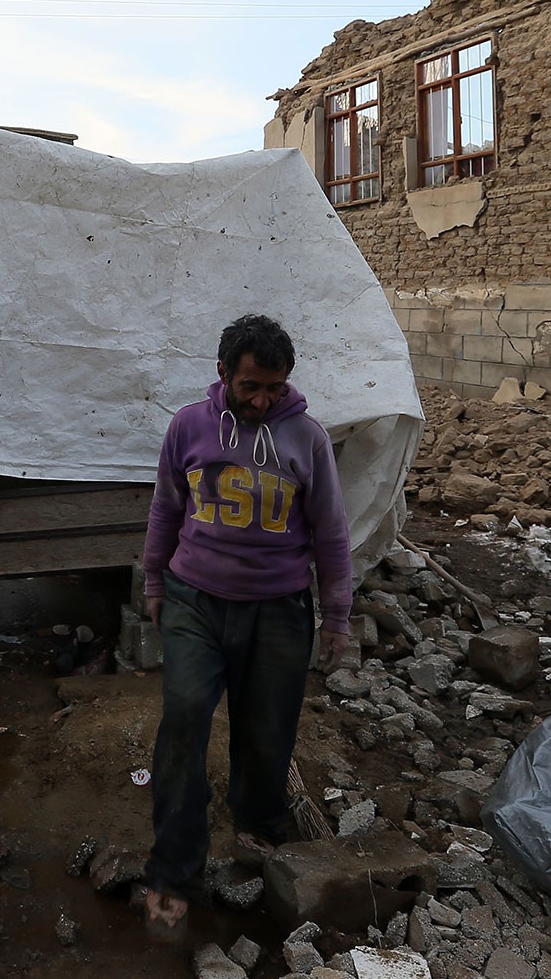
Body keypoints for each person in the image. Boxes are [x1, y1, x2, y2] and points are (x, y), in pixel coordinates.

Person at [139, 314, 353, 941]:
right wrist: (154, 583)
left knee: (267, 732)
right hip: (194, 601)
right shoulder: (189, 427)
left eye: (274, 389)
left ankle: (259, 836)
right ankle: (174, 871)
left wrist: (336, 615)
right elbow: (165, 508)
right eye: (250, 386)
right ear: (224, 375)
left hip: (279, 609)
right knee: (183, 718)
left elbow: (332, 535)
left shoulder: (307, 439)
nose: (262, 400)